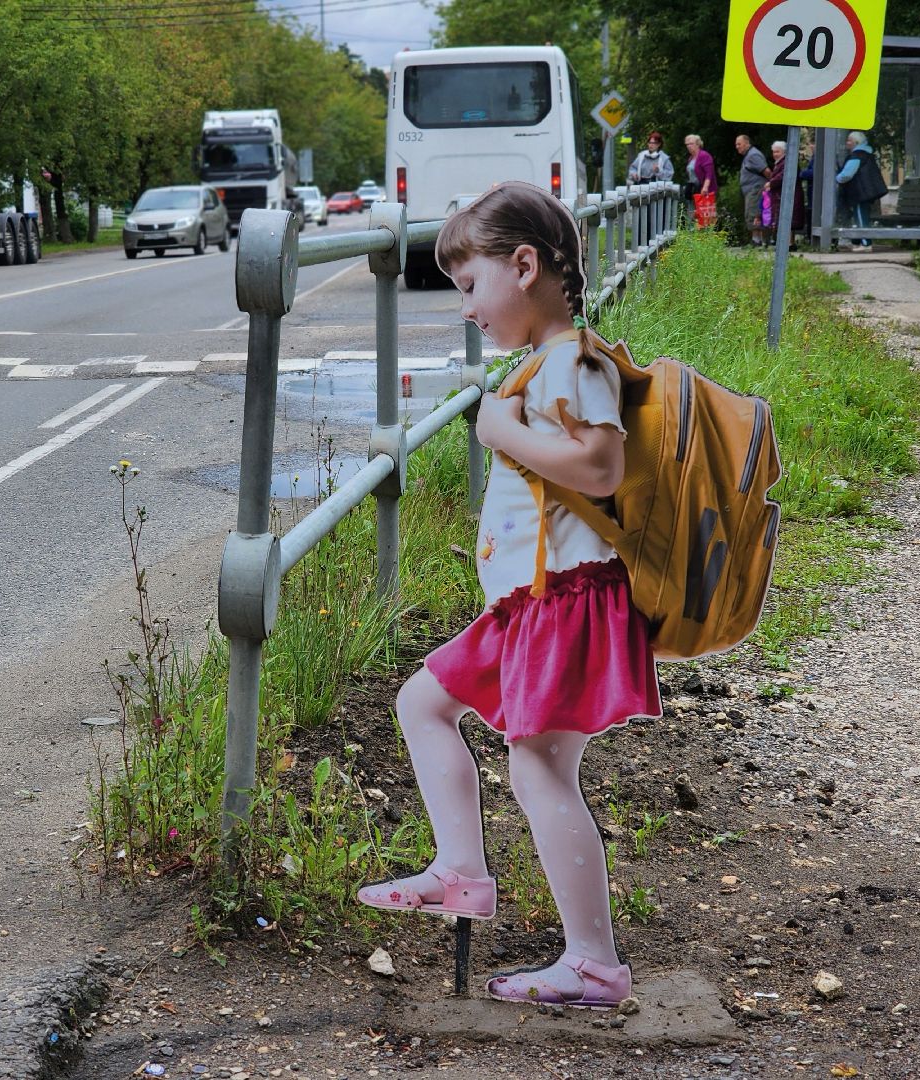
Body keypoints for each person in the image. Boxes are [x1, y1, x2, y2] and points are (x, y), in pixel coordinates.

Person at [356, 181, 661, 1009]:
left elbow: (600, 467)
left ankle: (594, 965)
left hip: (566, 602)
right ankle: (461, 872)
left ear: (524, 265)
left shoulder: (577, 359)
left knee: (539, 771)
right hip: (530, 604)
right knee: (423, 703)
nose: (466, 309)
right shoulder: (546, 362)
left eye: (470, 286)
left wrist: (500, 432)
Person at [835, 130, 887, 251]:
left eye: (849, 140)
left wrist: (836, 178)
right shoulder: (867, 154)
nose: (847, 143)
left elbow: (846, 175)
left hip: (859, 192)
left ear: (856, 142)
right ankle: (858, 241)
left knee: (860, 216)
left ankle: (866, 243)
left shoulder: (857, 155)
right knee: (861, 216)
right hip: (865, 192)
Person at [766, 139, 806, 246]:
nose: (775, 154)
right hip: (782, 195)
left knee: (788, 219)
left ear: (784, 152)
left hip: (789, 195)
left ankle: (789, 243)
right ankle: (788, 243)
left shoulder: (787, 162)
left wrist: (771, 183)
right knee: (787, 220)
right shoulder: (781, 162)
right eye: (773, 152)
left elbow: (783, 176)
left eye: (777, 152)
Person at [735, 133, 770, 247]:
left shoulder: (753, 155)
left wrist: (772, 183)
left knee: (754, 213)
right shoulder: (748, 155)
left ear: (746, 143)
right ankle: (757, 239)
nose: (737, 146)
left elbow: (766, 171)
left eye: (739, 144)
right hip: (751, 190)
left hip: (755, 189)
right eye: (736, 144)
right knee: (751, 213)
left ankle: (757, 240)